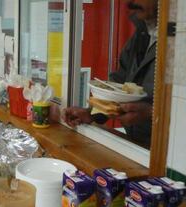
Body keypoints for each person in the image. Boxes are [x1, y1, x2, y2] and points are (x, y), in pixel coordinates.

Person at [62, 0, 158, 146]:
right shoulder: (142, 33)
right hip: (137, 146)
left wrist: (152, 113)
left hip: (169, 155)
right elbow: (119, 84)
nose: (130, 3)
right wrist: (92, 113)